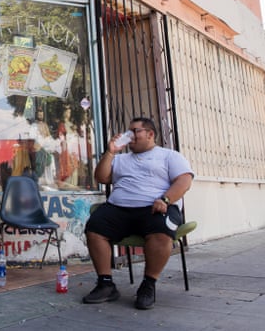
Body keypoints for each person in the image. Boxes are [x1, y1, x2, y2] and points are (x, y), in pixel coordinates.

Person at [82, 117, 194, 310]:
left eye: (135, 131)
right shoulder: (119, 159)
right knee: (95, 227)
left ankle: (148, 285)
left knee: (161, 232)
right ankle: (106, 284)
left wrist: (165, 200)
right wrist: (110, 152)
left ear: (150, 134)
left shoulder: (169, 156)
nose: (129, 135)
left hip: (156, 207)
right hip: (119, 208)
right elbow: (101, 177)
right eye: (128, 131)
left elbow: (184, 181)